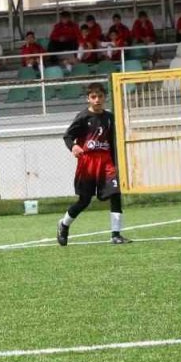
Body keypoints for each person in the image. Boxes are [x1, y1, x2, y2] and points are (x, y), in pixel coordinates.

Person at [57, 83, 129, 247]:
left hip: (106, 163)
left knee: (115, 193)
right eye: (93, 97)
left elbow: (112, 142)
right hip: (88, 163)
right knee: (84, 200)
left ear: (105, 97)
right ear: (88, 99)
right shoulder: (83, 117)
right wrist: (73, 146)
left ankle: (116, 234)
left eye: (100, 96)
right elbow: (68, 136)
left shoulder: (110, 118)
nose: (97, 100)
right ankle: (64, 224)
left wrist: (115, 163)